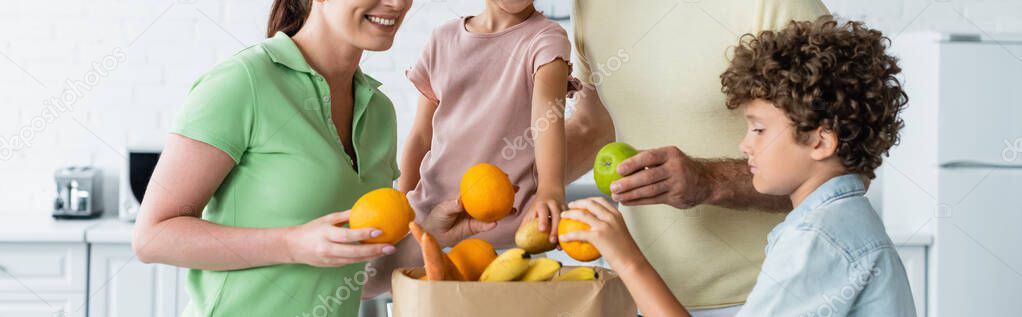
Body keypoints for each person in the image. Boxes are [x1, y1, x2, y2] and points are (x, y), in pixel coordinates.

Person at [132, 0, 491, 316]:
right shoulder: (244, 83)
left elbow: (359, 279)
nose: (397, 3)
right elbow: (152, 236)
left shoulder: (379, 112)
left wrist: (429, 235)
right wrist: (291, 245)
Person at [559, 17, 916, 317]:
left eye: (759, 129)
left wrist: (626, 257)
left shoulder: (817, 241)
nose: (745, 145)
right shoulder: (842, 223)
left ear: (821, 141)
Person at [363, 0, 577, 297]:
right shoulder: (442, 40)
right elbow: (421, 134)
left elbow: (548, 115)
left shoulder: (546, 39)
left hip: (507, 238)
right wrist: (404, 204)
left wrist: (551, 190)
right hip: (429, 228)